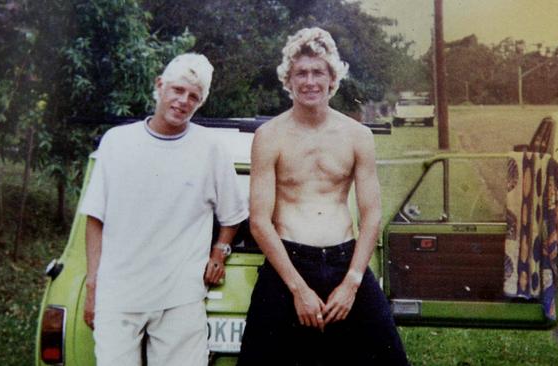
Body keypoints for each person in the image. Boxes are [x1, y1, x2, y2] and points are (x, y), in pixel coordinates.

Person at [237, 27, 409, 365]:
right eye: (301, 73)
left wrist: (353, 282)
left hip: (345, 261)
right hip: (288, 264)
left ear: (333, 77)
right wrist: (298, 289)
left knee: (389, 359)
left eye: (319, 72)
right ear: (288, 80)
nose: (310, 81)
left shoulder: (357, 136)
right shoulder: (269, 137)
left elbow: (371, 214)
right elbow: (259, 222)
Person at [80, 53, 248, 366]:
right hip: (119, 295)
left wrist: (219, 252)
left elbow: (233, 215)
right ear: (160, 86)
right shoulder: (117, 142)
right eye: (178, 90)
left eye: (194, 97)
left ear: (200, 103)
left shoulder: (211, 149)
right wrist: (94, 285)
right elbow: (95, 219)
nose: (183, 101)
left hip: (180, 299)